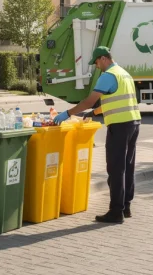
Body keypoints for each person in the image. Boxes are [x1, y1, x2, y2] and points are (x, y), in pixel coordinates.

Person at [53, 46, 140, 224]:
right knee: (127, 166)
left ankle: (116, 212)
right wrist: (94, 113)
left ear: (103, 58)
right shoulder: (124, 74)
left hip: (119, 126)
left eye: (97, 62)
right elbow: (117, 100)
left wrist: (68, 113)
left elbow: (89, 101)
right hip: (133, 123)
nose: (97, 66)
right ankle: (126, 207)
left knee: (116, 169)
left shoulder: (108, 76)